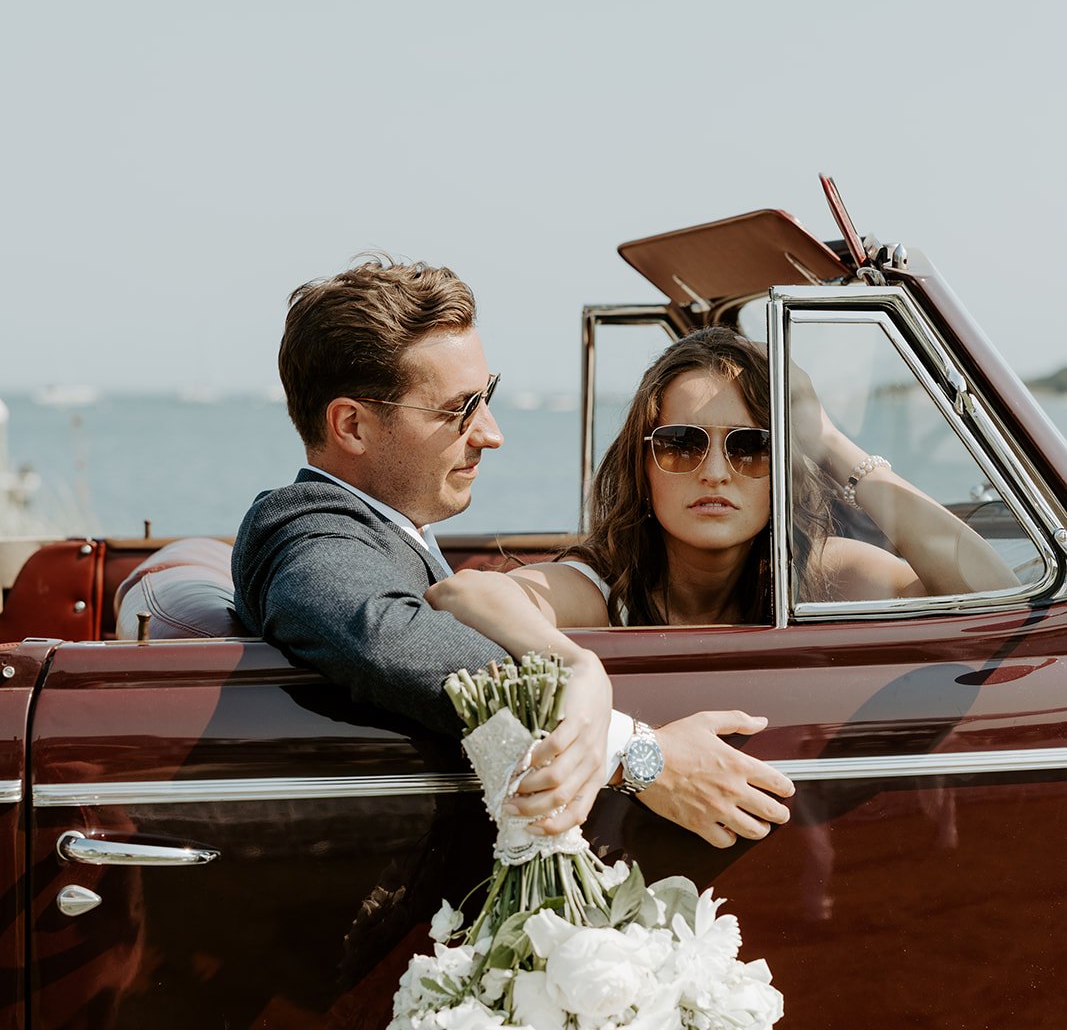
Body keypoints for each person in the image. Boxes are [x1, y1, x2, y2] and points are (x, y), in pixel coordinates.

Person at [232, 264, 795, 849]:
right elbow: (389, 639)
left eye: (488, 398)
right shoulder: (305, 532)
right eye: (460, 409)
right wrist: (633, 750)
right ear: (352, 425)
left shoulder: (386, 536)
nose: (491, 433)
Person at [428, 324, 1017, 632]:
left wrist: (827, 441)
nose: (714, 472)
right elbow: (464, 599)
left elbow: (993, 591)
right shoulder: (603, 589)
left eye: (752, 448)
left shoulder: (822, 574)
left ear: (782, 469)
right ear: (642, 464)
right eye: (681, 444)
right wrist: (580, 673)